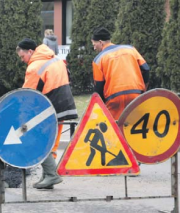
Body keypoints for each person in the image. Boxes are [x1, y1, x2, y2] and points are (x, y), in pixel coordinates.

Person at [16, 38, 78, 189]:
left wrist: (21, 116)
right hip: (65, 105)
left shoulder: (35, 67)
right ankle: (47, 176)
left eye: (22, 56)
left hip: (51, 107)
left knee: (38, 141)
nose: (23, 60)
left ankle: (51, 175)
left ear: (30, 52)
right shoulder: (54, 59)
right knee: (49, 143)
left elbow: (28, 96)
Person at [91, 27, 149, 120]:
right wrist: (144, 89)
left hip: (114, 98)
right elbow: (146, 69)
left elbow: (99, 87)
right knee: (134, 124)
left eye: (94, 44)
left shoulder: (98, 59)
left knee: (115, 129)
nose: (94, 48)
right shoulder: (131, 49)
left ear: (101, 42)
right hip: (136, 95)